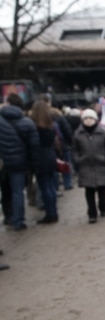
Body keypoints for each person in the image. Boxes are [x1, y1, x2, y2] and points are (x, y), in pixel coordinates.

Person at [0, 94, 40, 231]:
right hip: (19, 162)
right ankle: (18, 221)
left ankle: (8, 216)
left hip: (2, 163)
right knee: (18, 192)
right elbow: (34, 145)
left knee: (5, 191)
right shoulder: (27, 122)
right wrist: (33, 164)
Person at [72, 108, 105, 224]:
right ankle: (92, 214)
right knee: (89, 191)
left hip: (101, 165)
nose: (88, 121)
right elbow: (75, 149)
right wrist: (78, 160)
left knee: (102, 190)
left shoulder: (103, 132)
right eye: (86, 118)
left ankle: (103, 208)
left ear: (95, 119)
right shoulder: (78, 134)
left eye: (91, 118)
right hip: (85, 166)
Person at [29, 100, 59, 224]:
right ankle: (53, 212)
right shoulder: (51, 126)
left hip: (41, 158)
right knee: (51, 187)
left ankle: (50, 213)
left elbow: (34, 145)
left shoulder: (35, 127)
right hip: (50, 156)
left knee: (45, 187)